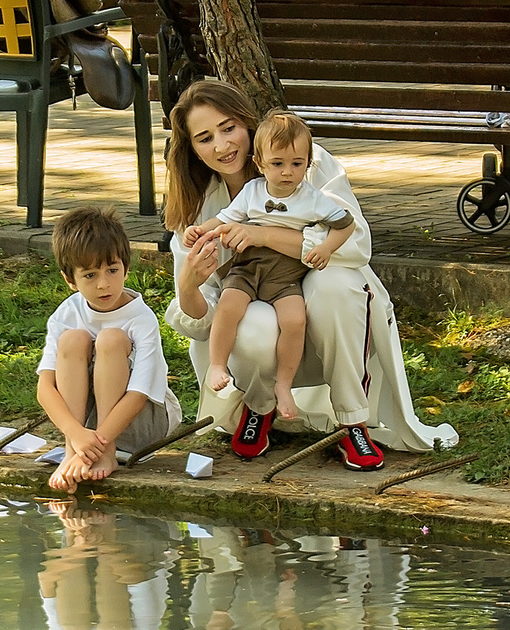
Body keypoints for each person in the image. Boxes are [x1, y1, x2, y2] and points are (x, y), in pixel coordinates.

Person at [162, 78, 457, 465]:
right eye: (204, 138)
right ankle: (259, 406)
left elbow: (356, 243)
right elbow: (202, 324)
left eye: (229, 127)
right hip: (262, 320)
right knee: (247, 320)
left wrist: (264, 235)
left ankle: (353, 421)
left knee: (336, 285)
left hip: (323, 313)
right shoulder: (200, 208)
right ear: (193, 149)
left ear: (248, 124)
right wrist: (187, 285)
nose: (221, 145)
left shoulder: (303, 160)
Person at [187, 109, 353, 426]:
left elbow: (346, 225)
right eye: (277, 164)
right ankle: (218, 364)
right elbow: (225, 220)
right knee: (228, 305)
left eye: (297, 164)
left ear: (308, 163)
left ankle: (283, 384)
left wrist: (325, 247)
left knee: (295, 320)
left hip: (287, 274)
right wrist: (203, 231)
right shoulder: (252, 192)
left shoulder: (314, 199)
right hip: (248, 266)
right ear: (261, 164)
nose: (288, 172)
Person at [36, 204, 183, 491]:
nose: (104, 284)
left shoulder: (141, 319)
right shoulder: (66, 314)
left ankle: (103, 454)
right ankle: (72, 453)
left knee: (112, 339)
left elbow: (139, 395)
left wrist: (97, 443)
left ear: (126, 268)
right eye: (90, 275)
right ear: (70, 280)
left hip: (142, 423)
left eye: (112, 270)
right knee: (73, 340)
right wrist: (75, 435)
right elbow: (45, 387)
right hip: (85, 430)